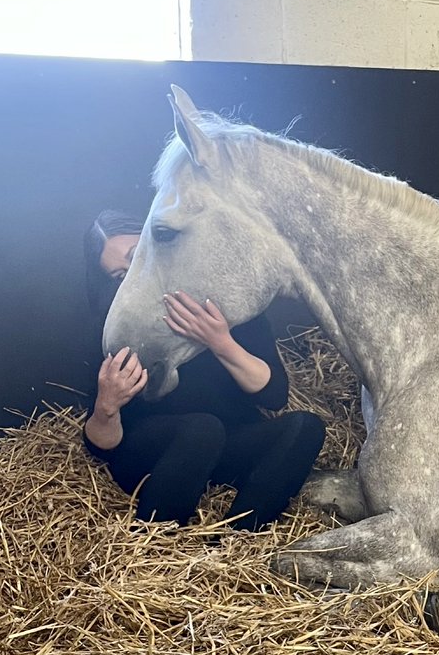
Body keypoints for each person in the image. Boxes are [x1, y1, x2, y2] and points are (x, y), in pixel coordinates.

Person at [81, 209, 325, 530]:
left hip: (226, 448)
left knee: (306, 426)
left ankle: (236, 541)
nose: (133, 278)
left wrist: (219, 341)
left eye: (137, 258)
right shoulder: (122, 329)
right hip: (156, 459)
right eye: (119, 275)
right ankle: (153, 545)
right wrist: (107, 406)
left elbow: (275, 396)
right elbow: (100, 446)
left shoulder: (224, 305)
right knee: (202, 429)